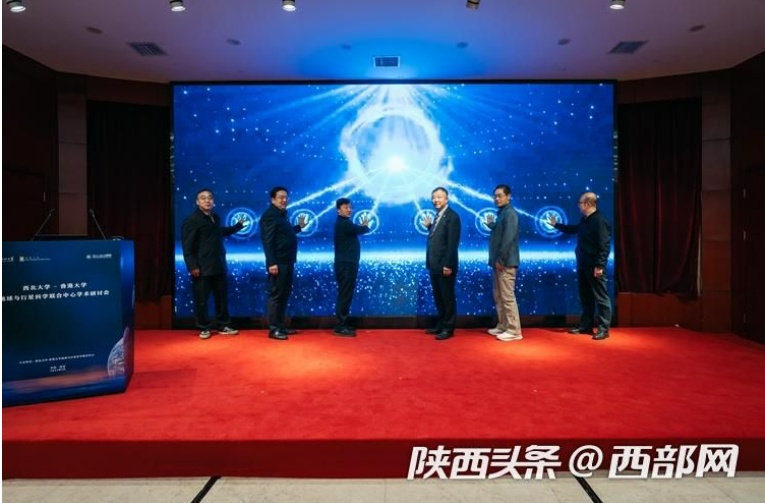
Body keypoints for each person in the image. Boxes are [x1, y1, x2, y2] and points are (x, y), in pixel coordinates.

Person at [181, 188, 244, 339]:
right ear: (197, 202)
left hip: (219, 265)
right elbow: (187, 246)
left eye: (209, 197)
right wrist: (192, 266)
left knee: (221, 298)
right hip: (202, 268)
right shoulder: (192, 220)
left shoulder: (215, 217)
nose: (207, 200)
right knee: (202, 300)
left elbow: (219, 232)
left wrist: (238, 226)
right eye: (203, 198)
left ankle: (223, 325)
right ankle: (204, 327)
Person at [548, 191, 612, 340]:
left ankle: (604, 329)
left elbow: (604, 246)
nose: (578, 206)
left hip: (594, 266)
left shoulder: (600, 221)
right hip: (583, 264)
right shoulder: (585, 220)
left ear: (588, 204)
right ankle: (586, 325)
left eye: (580, 203)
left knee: (601, 298)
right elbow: (574, 229)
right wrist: (556, 225)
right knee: (586, 296)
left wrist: (600, 266)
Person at [259, 186, 307, 340]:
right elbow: (268, 240)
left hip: (287, 260)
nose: (284, 200)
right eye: (280, 197)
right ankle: (273, 329)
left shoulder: (282, 215)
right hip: (278, 262)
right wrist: (271, 263)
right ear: (273, 199)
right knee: (276, 295)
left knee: (284, 294)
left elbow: (285, 234)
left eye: (286, 197)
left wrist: (299, 227)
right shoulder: (270, 215)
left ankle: (280, 326)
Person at [423, 187, 461, 340]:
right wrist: (430, 227)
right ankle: (441, 324)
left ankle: (448, 328)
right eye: (434, 197)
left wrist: (448, 265)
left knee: (447, 297)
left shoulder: (452, 217)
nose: (436, 200)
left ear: (446, 199)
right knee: (439, 297)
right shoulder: (438, 216)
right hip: (435, 265)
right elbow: (439, 237)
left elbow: (452, 244)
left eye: (439, 197)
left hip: (445, 266)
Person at [485, 184, 522, 342]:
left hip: (505, 263)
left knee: (507, 297)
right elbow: (501, 232)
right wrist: (492, 225)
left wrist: (500, 259)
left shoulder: (510, 214)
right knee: (499, 296)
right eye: (495, 196)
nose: (496, 198)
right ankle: (503, 325)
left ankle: (514, 330)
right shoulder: (503, 213)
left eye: (500, 195)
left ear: (509, 196)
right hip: (499, 263)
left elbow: (508, 239)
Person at [333, 198, 370, 337]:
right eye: (345, 207)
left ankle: (343, 323)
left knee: (346, 294)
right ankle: (340, 326)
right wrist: (365, 225)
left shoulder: (344, 223)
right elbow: (362, 229)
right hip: (346, 266)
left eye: (350, 207)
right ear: (338, 210)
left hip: (347, 265)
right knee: (345, 295)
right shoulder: (344, 224)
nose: (349, 209)